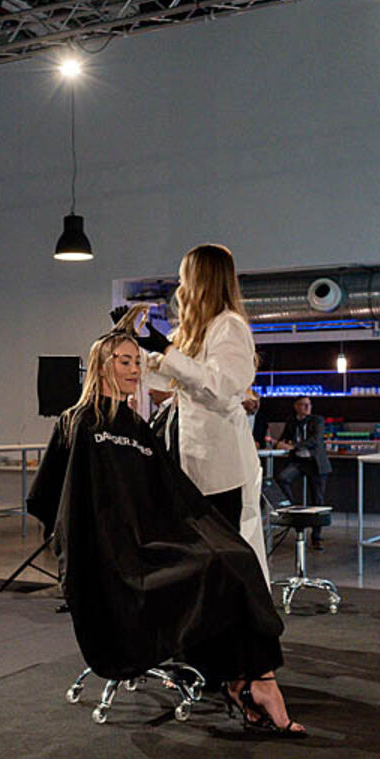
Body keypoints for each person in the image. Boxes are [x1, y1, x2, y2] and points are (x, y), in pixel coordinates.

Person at [27, 330, 303, 735]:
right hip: (112, 556)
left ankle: (253, 680)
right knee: (218, 565)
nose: (134, 369)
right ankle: (250, 685)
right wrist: (84, 543)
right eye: (124, 361)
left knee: (235, 558)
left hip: (150, 543)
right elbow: (47, 498)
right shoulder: (78, 422)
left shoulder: (138, 428)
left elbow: (170, 491)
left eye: (137, 362)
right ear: (101, 365)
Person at [121, 243, 269, 580]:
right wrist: (135, 349)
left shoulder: (229, 327)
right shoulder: (193, 332)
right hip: (190, 457)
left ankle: (234, 609)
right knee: (197, 549)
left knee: (225, 548)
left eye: (184, 277)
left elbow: (222, 384)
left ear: (201, 279)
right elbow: (168, 376)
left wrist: (166, 351)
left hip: (221, 462)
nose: (180, 286)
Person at [271, 396, 332, 548]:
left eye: (308, 405)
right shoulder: (291, 421)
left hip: (315, 463)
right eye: (303, 404)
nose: (306, 407)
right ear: (296, 406)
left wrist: (294, 446)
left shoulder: (317, 420)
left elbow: (315, 440)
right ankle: (294, 510)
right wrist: (279, 443)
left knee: (317, 500)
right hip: (299, 462)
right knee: (282, 478)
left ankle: (316, 536)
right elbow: (284, 438)